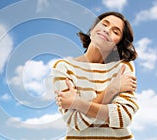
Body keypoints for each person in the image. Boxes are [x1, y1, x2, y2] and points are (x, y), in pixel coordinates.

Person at [52, 11, 138, 139]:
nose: (107, 30)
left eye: (115, 32)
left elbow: (123, 117)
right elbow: (76, 122)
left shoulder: (123, 67)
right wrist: (112, 89)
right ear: (93, 29)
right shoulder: (64, 67)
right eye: (104, 24)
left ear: (117, 44)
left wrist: (77, 103)